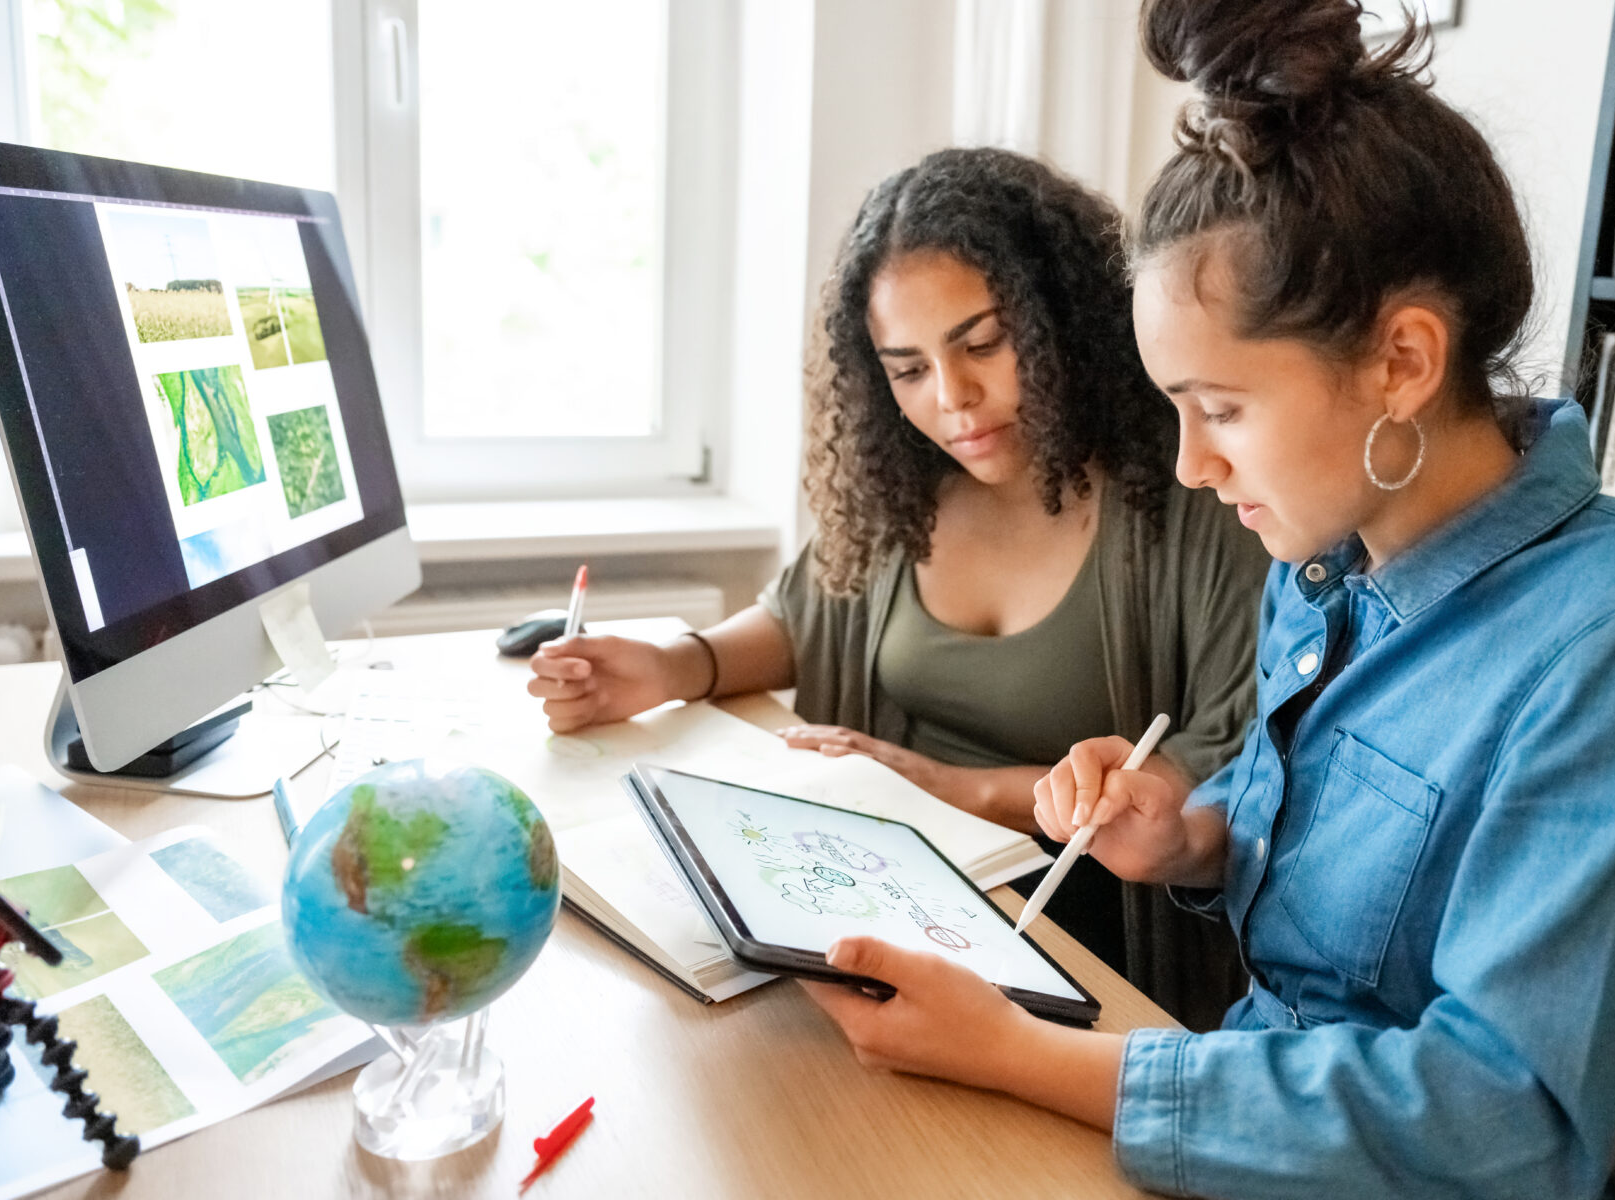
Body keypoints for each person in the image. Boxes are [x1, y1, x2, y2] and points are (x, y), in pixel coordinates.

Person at [796, 4, 1615, 1198]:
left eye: (1225, 409)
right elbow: (1294, 851)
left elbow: (1505, 1122)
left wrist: (1028, 1055)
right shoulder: (1321, 564)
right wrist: (1190, 833)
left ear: (1403, 361)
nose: (1194, 465)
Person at [526, 146, 1269, 1029]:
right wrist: (668, 667)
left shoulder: (1193, 499)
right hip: (894, 895)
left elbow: (1218, 779)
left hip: (1078, 947)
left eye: (983, 344)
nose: (952, 398)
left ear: (1063, 318)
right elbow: (808, 613)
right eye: (908, 369)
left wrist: (936, 786)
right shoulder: (909, 485)